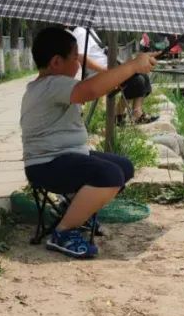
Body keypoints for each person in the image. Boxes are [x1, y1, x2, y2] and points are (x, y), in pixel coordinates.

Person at [22, 27, 157, 258]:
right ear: (56, 62)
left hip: (66, 157)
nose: (78, 64)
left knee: (124, 167)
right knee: (110, 175)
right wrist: (133, 65)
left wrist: (121, 78)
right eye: (75, 58)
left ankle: (73, 209)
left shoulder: (52, 85)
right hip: (47, 165)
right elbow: (91, 89)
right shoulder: (52, 84)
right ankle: (63, 232)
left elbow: (92, 88)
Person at [70, 26, 157, 125]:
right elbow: (80, 57)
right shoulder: (80, 31)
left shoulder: (89, 30)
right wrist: (104, 70)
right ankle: (133, 114)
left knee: (142, 76)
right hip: (100, 73)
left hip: (108, 68)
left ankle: (123, 113)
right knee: (136, 80)